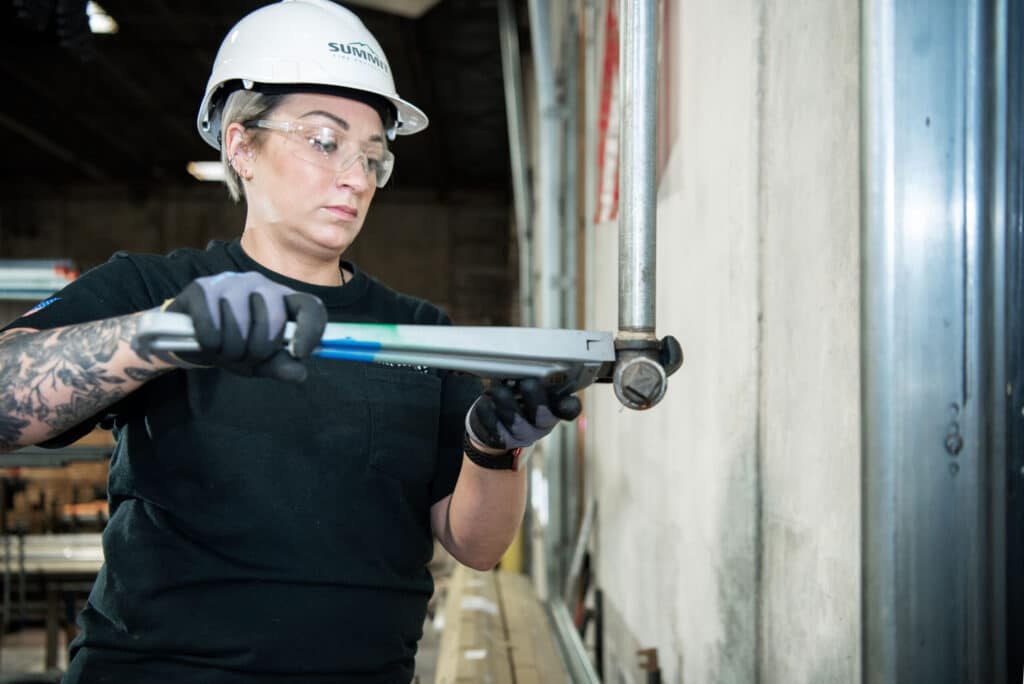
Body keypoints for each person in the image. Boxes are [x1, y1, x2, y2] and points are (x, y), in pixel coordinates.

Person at [0, 1, 680, 681]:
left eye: (373, 157)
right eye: (324, 141)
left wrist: (492, 451)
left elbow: (476, 546)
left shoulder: (420, 334)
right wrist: (163, 333)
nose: (355, 178)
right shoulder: (155, 289)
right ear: (241, 146)